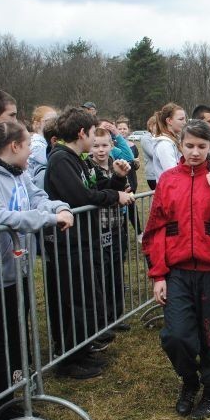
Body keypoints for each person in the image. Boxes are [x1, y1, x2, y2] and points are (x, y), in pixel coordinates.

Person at [143, 120, 210, 420]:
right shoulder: (168, 181)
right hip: (179, 272)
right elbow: (155, 231)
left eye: (201, 146)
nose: (195, 152)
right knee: (176, 336)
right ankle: (189, 381)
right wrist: (159, 275)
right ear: (180, 146)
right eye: (189, 146)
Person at [0, 119, 73, 420]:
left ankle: (14, 400)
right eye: (29, 145)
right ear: (15, 147)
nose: (33, 151)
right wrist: (47, 218)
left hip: (19, 271)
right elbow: (2, 216)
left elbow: (39, 196)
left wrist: (60, 207)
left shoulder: (20, 173)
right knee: (0, 343)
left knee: (16, 340)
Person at [44, 107, 134, 379]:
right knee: (76, 301)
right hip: (69, 244)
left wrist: (117, 180)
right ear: (82, 133)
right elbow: (80, 196)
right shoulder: (61, 159)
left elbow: (94, 188)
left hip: (84, 241)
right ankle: (70, 360)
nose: (95, 139)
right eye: (93, 133)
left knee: (87, 297)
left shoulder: (77, 159)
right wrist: (115, 197)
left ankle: (83, 349)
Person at [90, 128, 132, 332]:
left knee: (116, 270)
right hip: (99, 227)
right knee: (102, 273)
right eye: (95, 145)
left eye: (104, 145)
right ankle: (103, 317)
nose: (100, 150)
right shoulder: (89, 168)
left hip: (117, 224)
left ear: (111, 146)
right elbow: (100, 191)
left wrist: (124, 191)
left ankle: (116, 315)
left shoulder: (115, 165)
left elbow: (120, 190)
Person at [149, 103, 186, 187]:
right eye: (181, 119)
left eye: (184, 119)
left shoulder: (173, 141)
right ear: (169, 121)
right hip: (170, 191)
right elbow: (172, 172)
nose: (185, 122)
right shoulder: (164, 145)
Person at [27, 106, 57, 190]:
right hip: (35, 186)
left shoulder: (47, 142)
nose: (54, 123)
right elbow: (50, 161)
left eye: (56, 120)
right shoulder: (36, 145)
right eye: (49, 121)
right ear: (37, 124)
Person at [140, 115, 157, 189]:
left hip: (161, 173)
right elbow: (152, 154)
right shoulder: (146, 138)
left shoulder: (160, 137)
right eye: (158, 125)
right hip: (153, 175)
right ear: (151, 126)